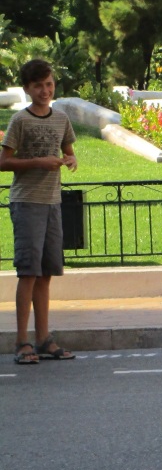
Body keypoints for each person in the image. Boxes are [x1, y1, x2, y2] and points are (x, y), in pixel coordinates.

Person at [0, 59, 78, 364]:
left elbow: (69, 153)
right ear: (27, 89)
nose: (45, 90)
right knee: (29, 273)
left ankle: (44, 338)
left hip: (52, 203)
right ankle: (22, 342)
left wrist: (70, 161)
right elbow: (4, 162)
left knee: (46, 273)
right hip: (27, 203)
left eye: (49, 84)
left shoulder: (61, 119)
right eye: (38, 86)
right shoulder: (20, 120)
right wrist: (38, 162)